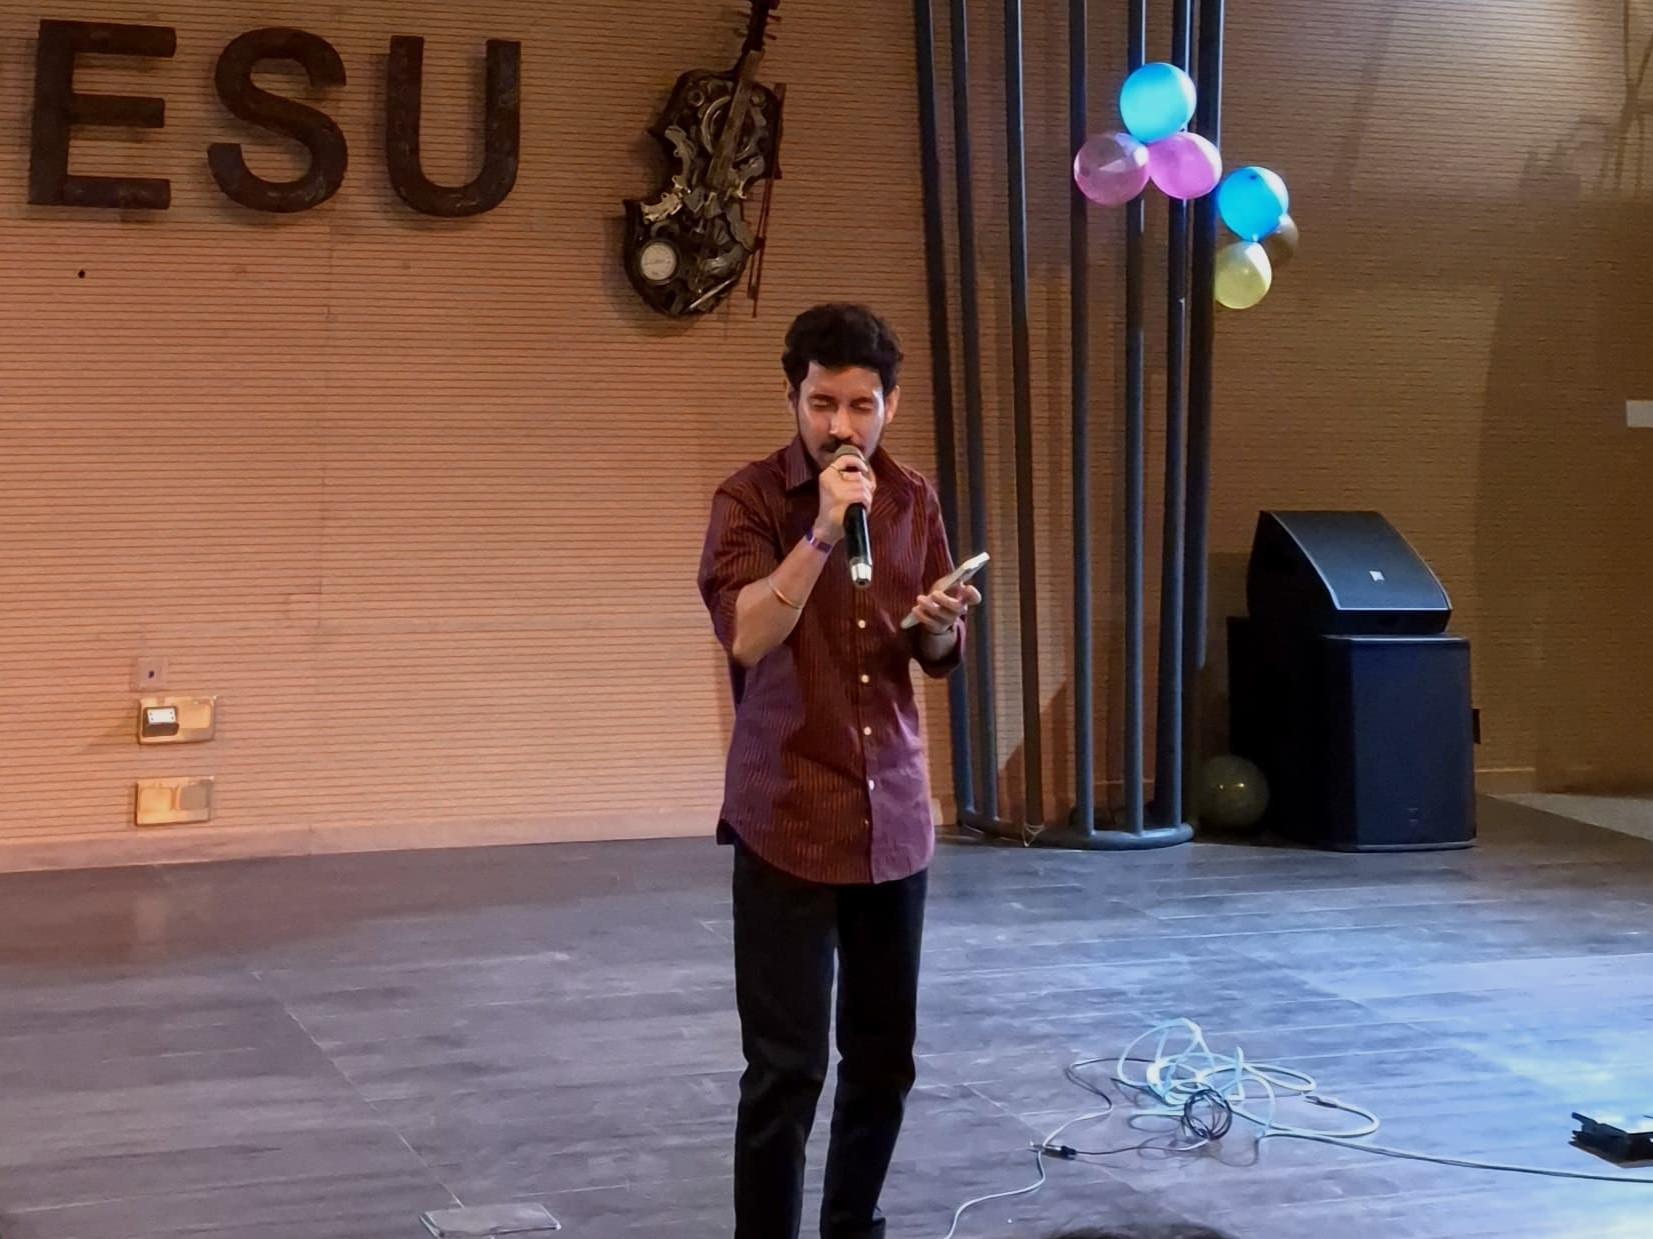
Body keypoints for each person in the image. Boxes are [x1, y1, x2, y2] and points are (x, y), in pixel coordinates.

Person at [697, 303, 978, 1239]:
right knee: (785, 1069)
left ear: (891, 403)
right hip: (787, 811)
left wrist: (938, 623)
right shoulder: (749, 500)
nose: (841, 426)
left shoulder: (913, 499)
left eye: (861, 405)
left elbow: (931, 654)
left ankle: (852, 1225)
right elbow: (748, 634)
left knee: (882, 1058)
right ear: (793, 398)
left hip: (891, 815)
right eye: (822, 403)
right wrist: (820, 530)